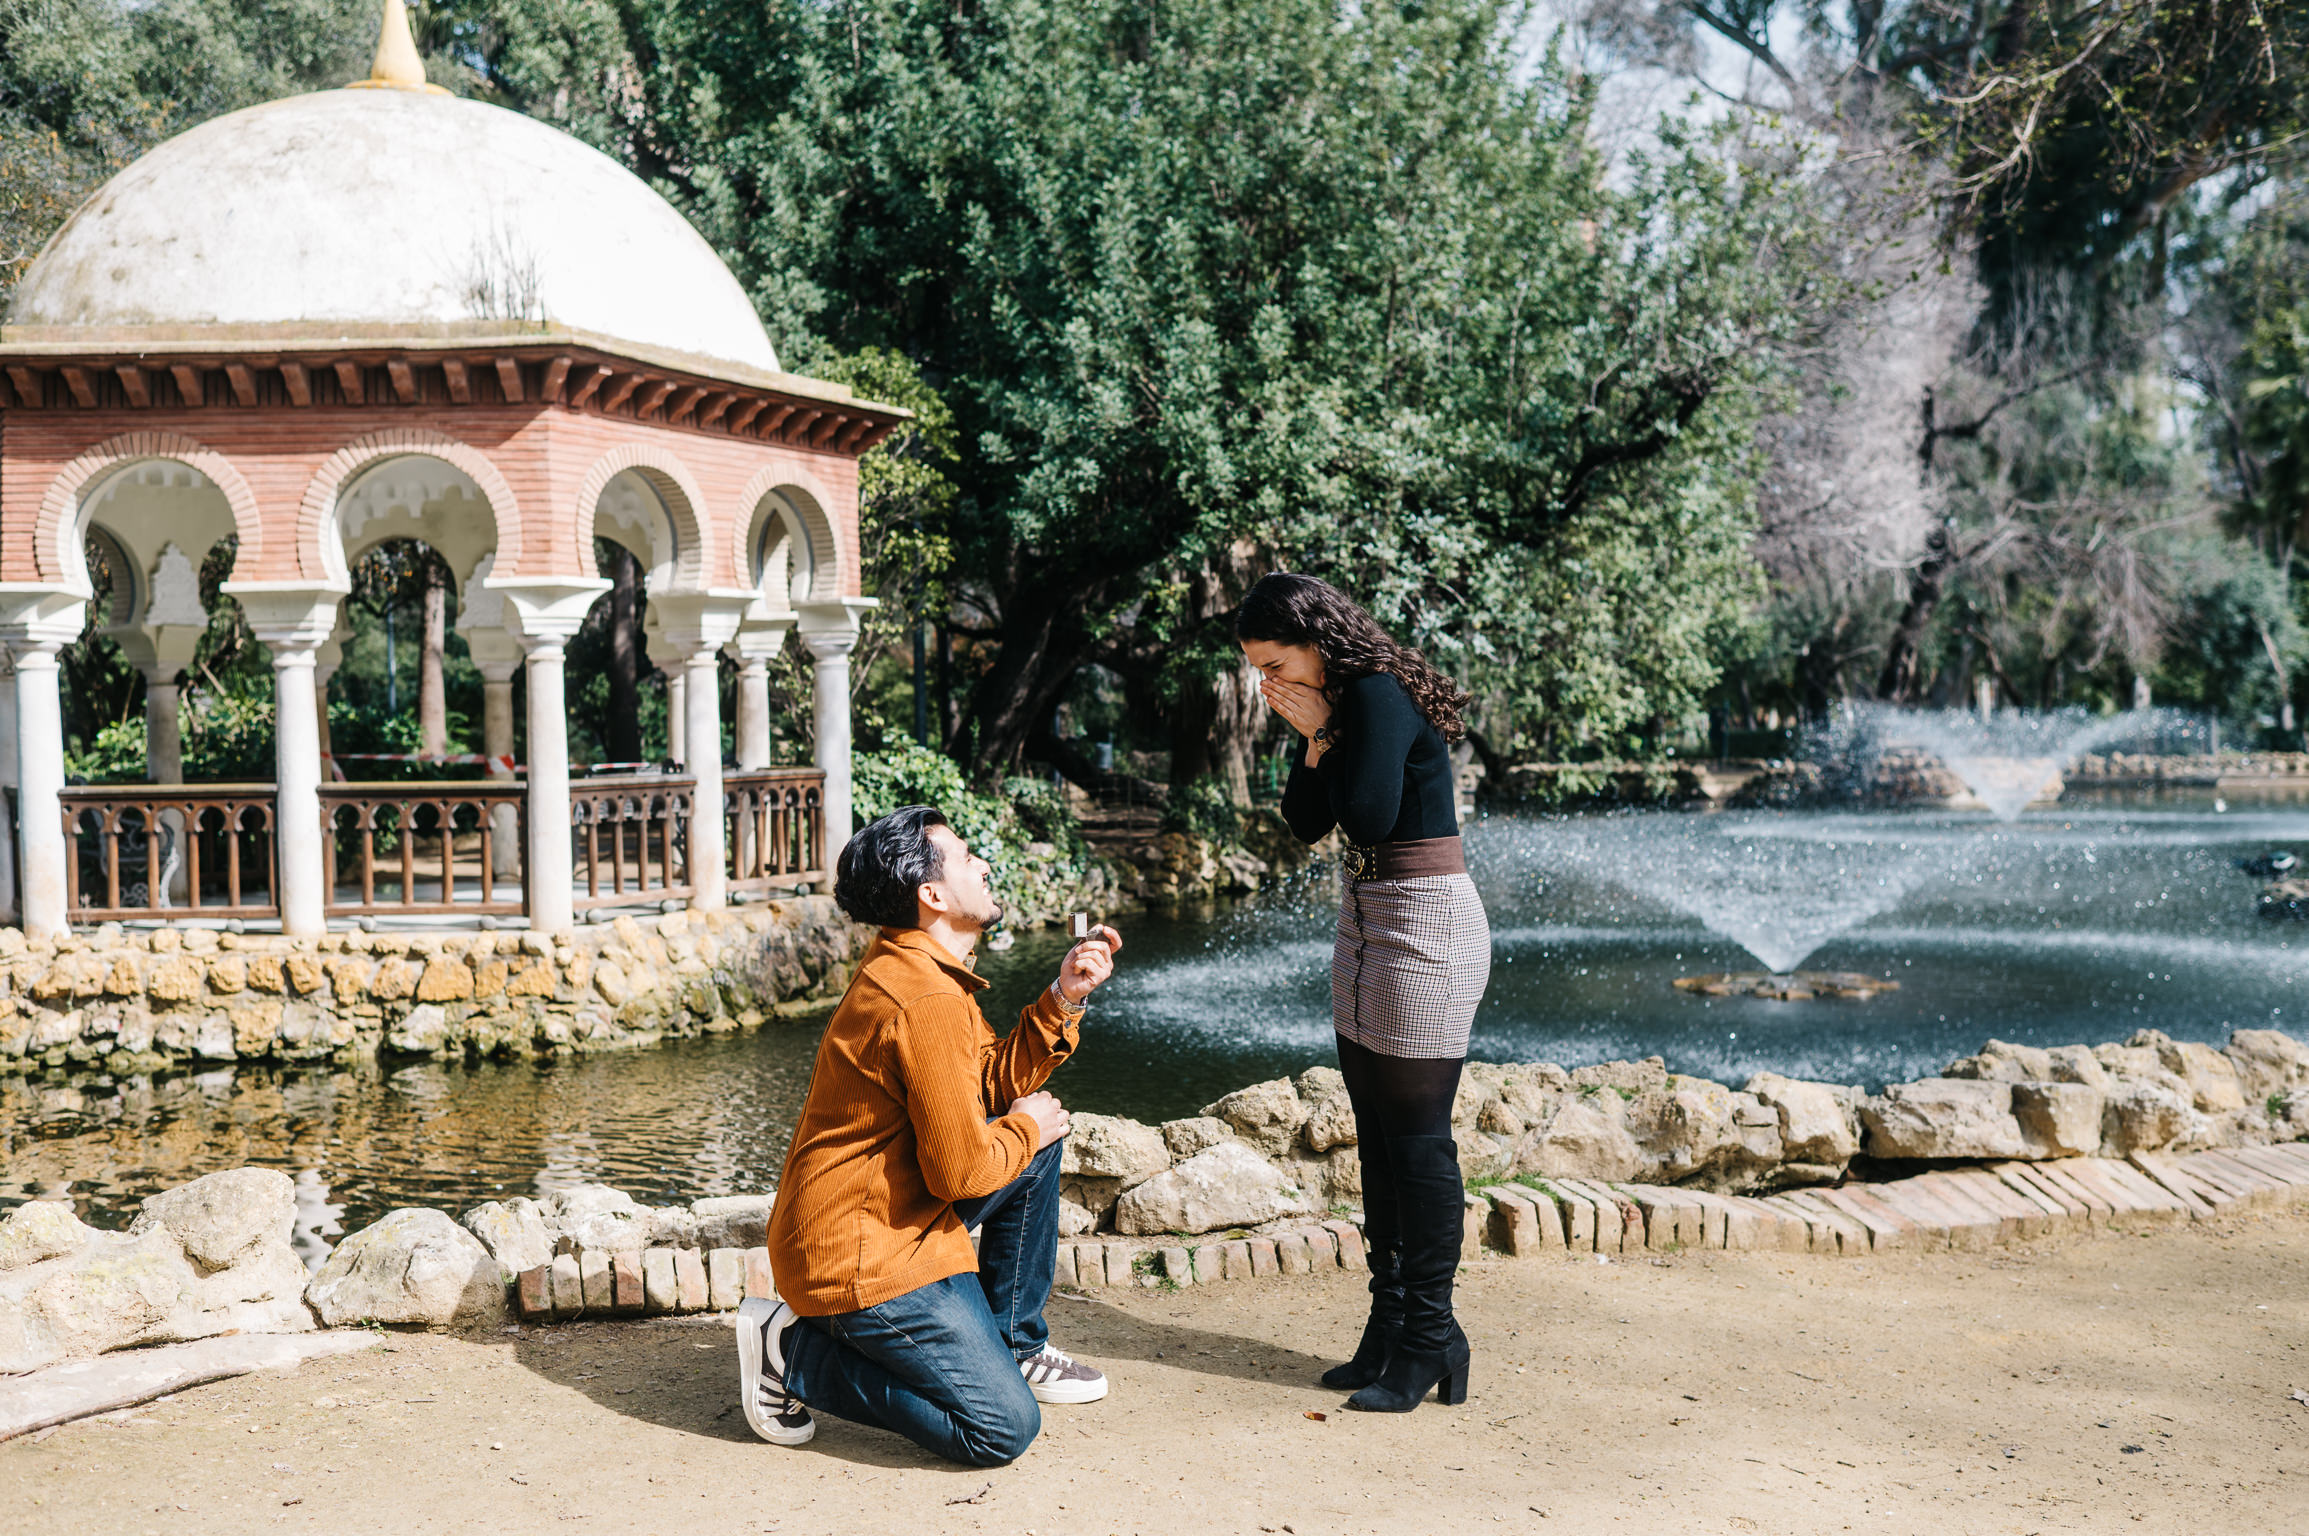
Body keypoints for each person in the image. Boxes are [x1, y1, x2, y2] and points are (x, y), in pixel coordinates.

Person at [738, 805, 1122, 1465]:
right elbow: (961, 1176)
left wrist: (1062, 999)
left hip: (880, 1224)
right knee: (1001, 1431)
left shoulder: (919, 972)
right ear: (933, 894)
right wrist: (1023, 1129)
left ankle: (1016, 1344)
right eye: (968, 857)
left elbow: (988, 1087)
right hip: (857, 1259)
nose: (984, 865)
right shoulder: (925, 999)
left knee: (1035, 1137)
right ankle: (790, 1352)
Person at [1236, 572, 1490, 1413]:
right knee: (1376, 1139)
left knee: (1417, 1142)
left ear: (1316, 639)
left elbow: (1375, 818)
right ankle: (1391, 1330)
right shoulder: (1334, 711)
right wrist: (1313, 742)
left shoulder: (1375, 694)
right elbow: (1307, 824)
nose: (1268, 683)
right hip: (1363, 917)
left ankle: (1429, 1339)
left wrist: (1330, 733)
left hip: (1426, 923)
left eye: (1276, 662)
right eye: (1255, 669)